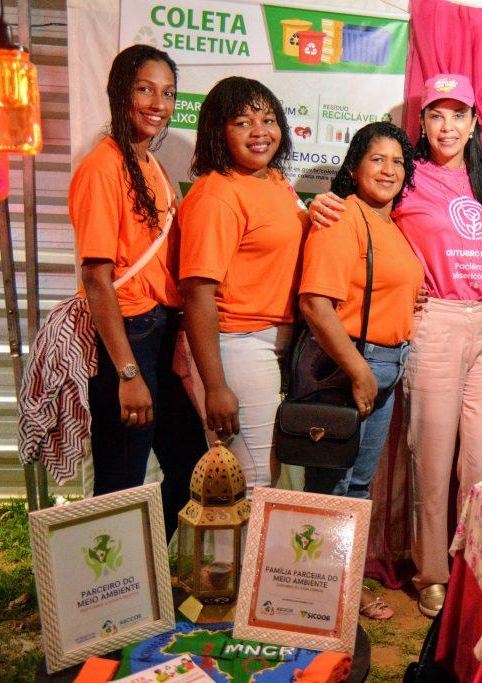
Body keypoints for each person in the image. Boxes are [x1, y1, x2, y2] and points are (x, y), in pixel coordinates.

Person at [307, 74, 482, 617]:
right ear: (423, 123)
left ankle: (479, 564)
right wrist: (317, 205)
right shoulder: (409, 175)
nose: (447, 125)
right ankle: (432, 574)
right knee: (431, 456)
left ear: (472, 124)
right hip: (437, 320)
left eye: (458, 115)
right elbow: (360, 207)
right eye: (436, 115)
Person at [69, 45, 206, 538]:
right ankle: (106, 599)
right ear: (120, 92)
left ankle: (140, 579)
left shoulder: (147, 163)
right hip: (128, 337)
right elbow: (97, 279)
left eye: (167, 92)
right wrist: (127, 372)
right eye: (145, 89)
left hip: (160, 334)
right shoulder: (102, 168)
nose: (158, 103)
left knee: (190, 462)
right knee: (120, 480)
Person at [300, 121, 423, 620]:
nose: (388, 169)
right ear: (354, 167)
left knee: (356, 487)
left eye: (397, 162)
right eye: (378, 159)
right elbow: (315, 304)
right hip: (351, 364)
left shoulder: (391, 225)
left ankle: (341, 594)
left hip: (386, 364)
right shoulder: (344, 216)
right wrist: (358, 371)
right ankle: (315, 596)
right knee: (331, 488)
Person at [178, 77, 308, 495]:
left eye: (268, 119)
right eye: (242, 121)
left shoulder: (274, 182)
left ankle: (251, 563)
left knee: (271, 476)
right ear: (219, 130)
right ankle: (231, 564)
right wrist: (216, 386)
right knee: (251, 482)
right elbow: (197, 294)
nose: (260, 131)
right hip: (239, 345)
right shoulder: (215, 194)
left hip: (279, 343)